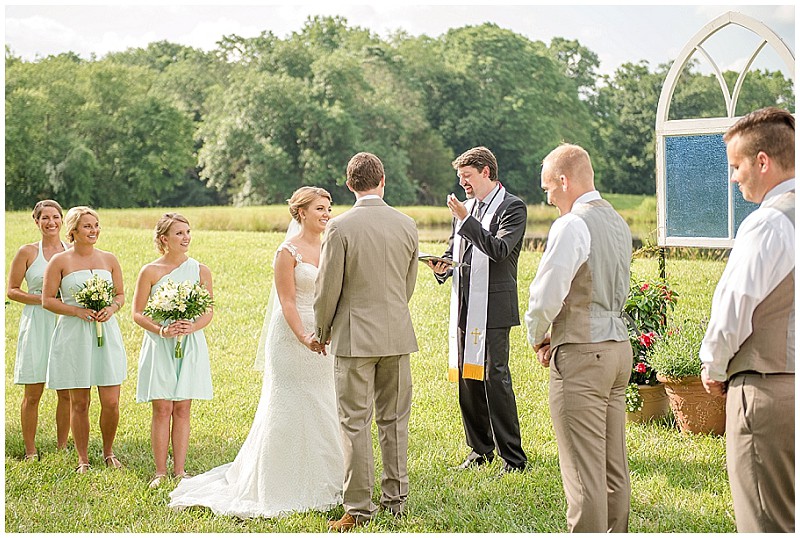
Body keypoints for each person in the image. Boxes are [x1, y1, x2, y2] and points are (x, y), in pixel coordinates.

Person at [169, 187, 344, 518]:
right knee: (292, 403)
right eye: (320, 208)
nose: (326, 214)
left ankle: (328, 478)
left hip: (326, 335)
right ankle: (277, 482)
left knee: (324, 401)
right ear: (301, 212)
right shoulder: (286, 251)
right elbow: (288, 301)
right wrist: (304, 336)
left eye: (329, 208)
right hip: (292, 337)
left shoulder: (329, 246)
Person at [524, 144, 632, 532]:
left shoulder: (572, 224)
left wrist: (538, 337)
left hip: (584, 354)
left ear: (564, 181)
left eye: (548, 188)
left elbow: (546, 294)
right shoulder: (618, 222)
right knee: (612, 467)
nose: (548, 197)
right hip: (619, 350)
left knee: (582, 473)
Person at [699, 107, 795, 533]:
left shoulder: (769, 224)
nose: (732, 178)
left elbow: (733, 308)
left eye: (736, 166)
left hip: (768, 389)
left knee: (764, 519)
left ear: (762, 161)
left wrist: (714, 367)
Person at [314, 152, 418, 531]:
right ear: (383, 179)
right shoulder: (407, 224)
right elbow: (407, 284)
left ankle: (358, 507)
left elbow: (328, 290)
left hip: (354, 338)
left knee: (354, 423)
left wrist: (322, 330)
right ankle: (396, 500)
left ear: (348, 184)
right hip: (396, 333)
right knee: (394, 420)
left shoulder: (340, 227)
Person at [428, 146, 527, 476]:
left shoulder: (513, 208)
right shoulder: (466, 209)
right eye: (460, 178)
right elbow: (454, 249)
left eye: (467, 176)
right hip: (465, 303)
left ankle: (513, 457)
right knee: (466, 378)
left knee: (494, 378)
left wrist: (466, 220)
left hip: (495, 307)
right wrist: (442, 266)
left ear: (486, 172)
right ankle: (479, 449)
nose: (463, 183)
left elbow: (499, 250)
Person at [42, 206, 127, 473]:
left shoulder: (109, 259)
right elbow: (48, 301)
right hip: (74, 335)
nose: (94, 230)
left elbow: (121, 295)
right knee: (80, 401)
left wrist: (111, 308)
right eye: (88, 226)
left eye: (96, 225)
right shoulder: (60, 262)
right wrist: (77, 311)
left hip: (106, 333)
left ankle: (109, 451)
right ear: (74, 231)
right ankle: (82, 458)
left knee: (111, 401)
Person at [132, 214, 214, 488]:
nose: (186, 237)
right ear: (163, 239)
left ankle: (180, 470)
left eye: (188, 232)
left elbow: (209, 311)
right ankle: (160, 472)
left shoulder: (201, 270)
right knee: (162, 407)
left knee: (182, 407)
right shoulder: (150, 271)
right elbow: (138, 313)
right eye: (179, 233)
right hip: (160, 344)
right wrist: (162, 330)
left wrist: (192, 326)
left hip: (189, 344)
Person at [7, 200, 71, 460]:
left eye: (55, 217)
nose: (51, 222)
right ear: (36, 221)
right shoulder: (27, 252)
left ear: (62, 220)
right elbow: (12, 290)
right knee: (33, 392)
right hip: (36, 323)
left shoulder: (72, 252)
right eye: (45, 218)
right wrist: (44, 298)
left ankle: (62, 446)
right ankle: (31, 450)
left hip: (66, 323)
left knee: (66, 390)